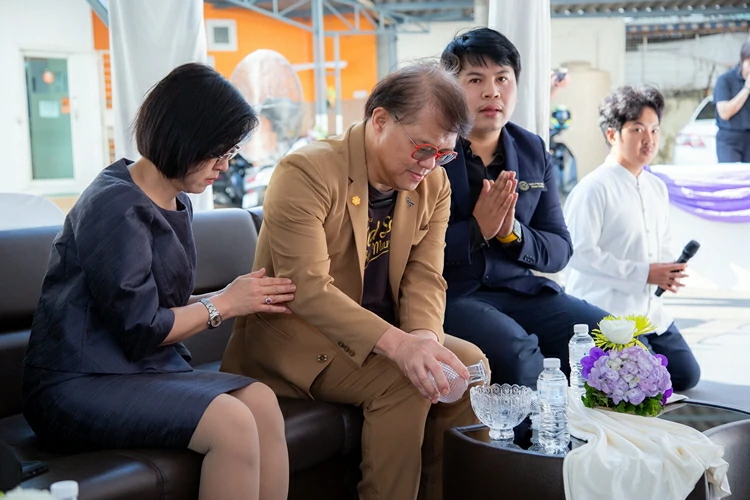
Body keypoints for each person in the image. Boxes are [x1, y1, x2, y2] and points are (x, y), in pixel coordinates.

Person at [22, 63, 293, 500]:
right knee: (232, 423)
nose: (225, 166)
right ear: (185, 138)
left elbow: (155, 307)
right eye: (218, 152)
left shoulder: (175, 199)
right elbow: (142, 327)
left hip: (137, 370)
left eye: (230, 152)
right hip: (78, 383)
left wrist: (235, 296)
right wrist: (226, 302)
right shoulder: (114, 207)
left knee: (260, 401)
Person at [221, 64, 487, 500]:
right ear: (380, 120)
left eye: (444, 154)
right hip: (299, 336)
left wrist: (423, 338)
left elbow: (425, 273)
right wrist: (402, 347)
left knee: (469, 367)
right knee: (404, 378)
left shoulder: (434, 184)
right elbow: (308, 289)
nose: (430, 164)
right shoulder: (306, 172)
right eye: (423, 148)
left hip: (378, 333)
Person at [438, 27, 609, 388]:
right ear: (450, 87)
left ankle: (595, 426)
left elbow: (559, 250)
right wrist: (476, 230)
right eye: (475, 80)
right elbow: (408, 250)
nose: (492, 92)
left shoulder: (532, 150)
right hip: (454, 295)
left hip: (522, 291)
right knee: (520, 358)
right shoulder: (432, 152)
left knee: (611, 339)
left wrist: (511, 232)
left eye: (503, 78)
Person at [563, 85, 701, 391]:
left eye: (654, 129)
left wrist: (667, 272)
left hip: (651, 313)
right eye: (638, 129)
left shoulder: (656, 188)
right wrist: (644, 273)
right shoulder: (593, 188)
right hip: (609, 313)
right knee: (647, 385)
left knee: (687, 375)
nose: (649, 139)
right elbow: (579, 254)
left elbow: (662, 245)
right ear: (613, 135)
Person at [714, 37, 750, 163]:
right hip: (729, 140)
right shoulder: (725, 80)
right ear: (743, 60)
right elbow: (724, 113)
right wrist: (746, 89)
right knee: (731, 173)